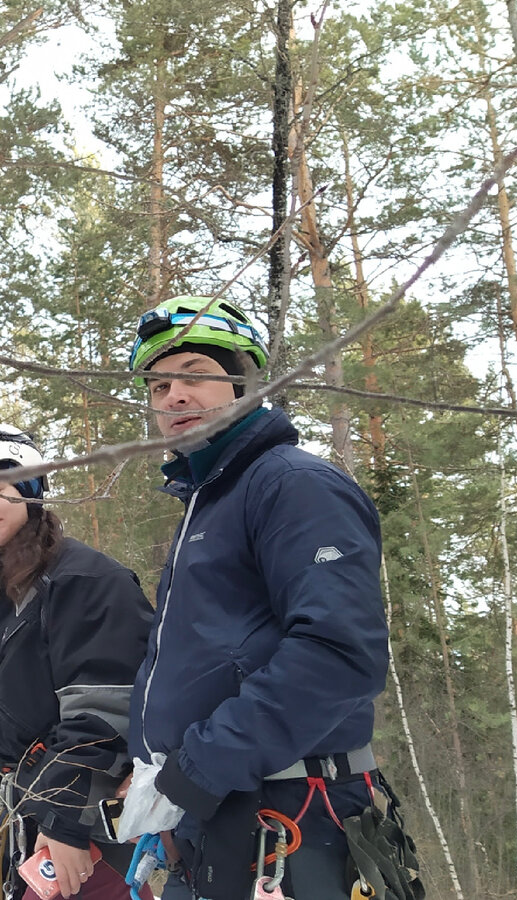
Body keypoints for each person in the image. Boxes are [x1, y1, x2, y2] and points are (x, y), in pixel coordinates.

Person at [121, 296, 395, 900]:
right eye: (160, 384)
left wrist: (201, 765)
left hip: (293, 811)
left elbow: (339, 652)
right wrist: (154, 766)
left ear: (242, 382)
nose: (175, 396)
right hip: (216, 812)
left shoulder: (293, 484)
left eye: (195, 374)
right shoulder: (209, 501)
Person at [0, 424, 155, 900]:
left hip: (81, 825)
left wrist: (67, 821)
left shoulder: (84, 581)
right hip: (16, 818)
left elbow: (107, 710)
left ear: (30, 489)